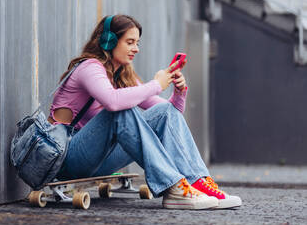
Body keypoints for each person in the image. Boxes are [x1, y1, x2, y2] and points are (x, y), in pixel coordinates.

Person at [48, 14, 241, 210]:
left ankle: (198, 182)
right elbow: (112, 102)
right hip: (67, 158)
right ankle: (173, 187)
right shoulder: (89, 68)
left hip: (99, 161)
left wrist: (179, 92)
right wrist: (156, 84)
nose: (136, 49)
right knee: (120, 111)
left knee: (163, 110)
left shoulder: (121, 75)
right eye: (129, 42)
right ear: (108, 41)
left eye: (137, 43)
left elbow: (167, 114)